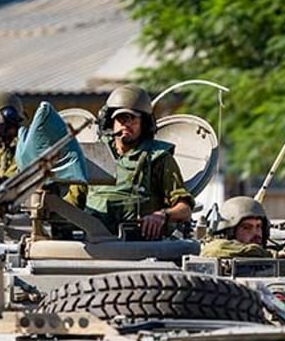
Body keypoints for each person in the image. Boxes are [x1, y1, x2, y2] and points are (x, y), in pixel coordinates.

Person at [65, 84, 193, 239]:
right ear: (110, 122)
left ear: (143, 124)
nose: (126, 124)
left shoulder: (158, 158)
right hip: (94, 243)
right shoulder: (94, 156)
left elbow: (184, 209)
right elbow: (71, 204)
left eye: (132, 119)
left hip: (140, 247)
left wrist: (162, 215)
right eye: (121, 118)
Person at [200, 196, 285, 258]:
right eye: (247, 227)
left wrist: (282, 253)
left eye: (259, 226)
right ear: (229, 232)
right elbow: (216, 248)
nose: (256, 233)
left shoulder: (266, 252)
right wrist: (272, 255)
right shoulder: (218, 249)